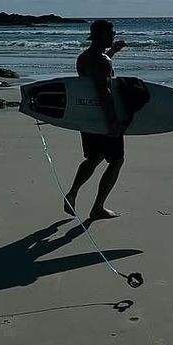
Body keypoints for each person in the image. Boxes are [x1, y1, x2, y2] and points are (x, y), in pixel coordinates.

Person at [64, 19, 128, 220]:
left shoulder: (83, 58)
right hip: (103, 117)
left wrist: (113, 52)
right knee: (116, 161)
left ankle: (72, 193)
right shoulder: (102, 61)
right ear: (102, 35)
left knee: (94, 158)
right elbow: (104, 91)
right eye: (111, 33)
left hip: (88, 117)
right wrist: (112, 122)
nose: (113, 36)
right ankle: (98, 207)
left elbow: (95, 77)